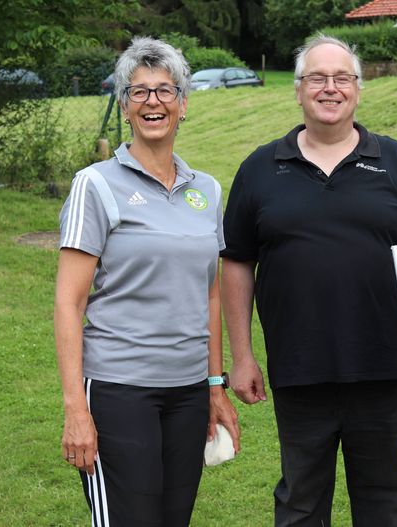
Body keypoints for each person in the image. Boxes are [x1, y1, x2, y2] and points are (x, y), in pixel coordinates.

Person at [221, 34, 397, 526]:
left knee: (385, 501)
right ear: (299, 90)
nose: (330, 88)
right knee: (301, 503)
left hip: (381, 366)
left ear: (358, 89)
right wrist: (241, 357)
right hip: (299, 367)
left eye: (341, 78)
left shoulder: (396, 162)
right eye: (317, 78)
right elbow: (237, 261)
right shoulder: (261, 168)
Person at [54, 36, 240, 526]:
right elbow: (69, 303)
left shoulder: (207, 190)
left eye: (164, 90)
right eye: (138, 92)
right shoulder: (95, 185)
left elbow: (211, 291)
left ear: (183, 104)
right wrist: (76, 408)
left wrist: (214, 386)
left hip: (187, 391)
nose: (152, 102)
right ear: (124, 106)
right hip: (119, 391)